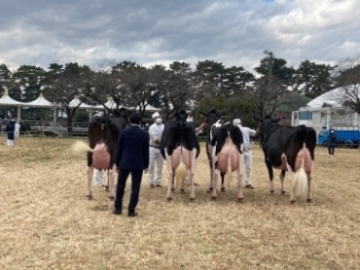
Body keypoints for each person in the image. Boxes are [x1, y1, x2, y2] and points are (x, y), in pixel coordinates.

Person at [114, 112, 149, 217]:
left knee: (120, 186)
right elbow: (145, 151)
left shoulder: (123, 133)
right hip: (138, 163)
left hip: (124, 162)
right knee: (135, 187)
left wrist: (117, 163)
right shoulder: (144, 134)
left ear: (129, 120)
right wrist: (146, 164)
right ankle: (131, 210)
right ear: (140, 121)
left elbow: (119, 149)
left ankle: (118, 208)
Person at [233, 118, 256, 189]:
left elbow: (254, 133)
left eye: (239, 123)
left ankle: (248, 183)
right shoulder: (234, 133)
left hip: (248, 150)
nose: (239, 125)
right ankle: (239, 183)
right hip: (240, 151)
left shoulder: (246, 129)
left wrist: (259, 129)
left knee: (248, 167)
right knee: (240, 168)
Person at [148, 112, 164, 188]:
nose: (158, 118)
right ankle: (151, 181)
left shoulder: (164, 126)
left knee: (160, 166)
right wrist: (165, 143)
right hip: (152, 148)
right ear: (153, 119)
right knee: (151, 166)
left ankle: (158, 182)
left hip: (161, 149)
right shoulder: (151, 127)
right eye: (156, 117)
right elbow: (155, 140)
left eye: (159, 116)